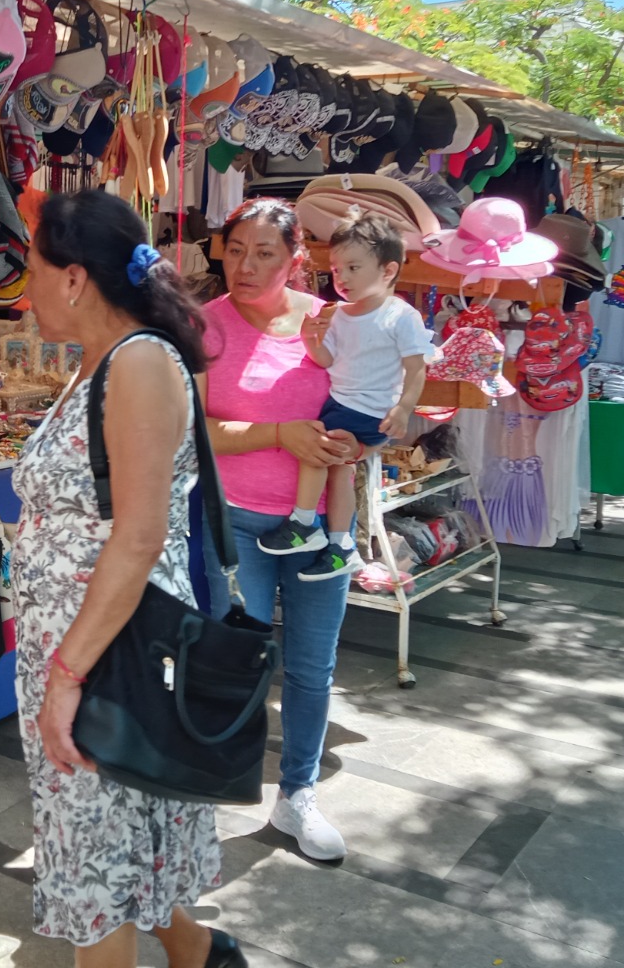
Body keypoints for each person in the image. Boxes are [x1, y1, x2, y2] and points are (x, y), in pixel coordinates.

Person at [13, 189, 246, 968]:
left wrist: (67, 674)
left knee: (95, 871)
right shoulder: (105, 361)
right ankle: (201, 953)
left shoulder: (138, 363)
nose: (25, 289)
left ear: (75, 278)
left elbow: (139, 536)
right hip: (93, 645)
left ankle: (197, 952)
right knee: (119, 838)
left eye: (32, 270)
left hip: (107, 652)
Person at [197, 197, 361, 861]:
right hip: (237, 524)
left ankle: (298, 796)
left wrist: (364, 436)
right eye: (236, 250)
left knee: (312, 669)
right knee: (234, 664)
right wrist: (275, 434)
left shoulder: (334, 325)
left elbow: (376, 406)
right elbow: (194, 433)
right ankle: (213, 790)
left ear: (298, 260)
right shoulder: (204, 326)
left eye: (265, 253)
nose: (246, 264)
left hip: (321, 529)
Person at [256, 212, 433, 580]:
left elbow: (417, 368)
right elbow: (327, 359)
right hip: (343, 403)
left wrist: (403, 409)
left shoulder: (401, 316)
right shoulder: (337, 315)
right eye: (336, 270)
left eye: (353, 267)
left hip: (368, 411)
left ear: (387, 270)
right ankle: (342, 546)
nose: (343, 278)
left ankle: (304, 523)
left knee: (314, 448)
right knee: (340, 472)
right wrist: (309, 339)